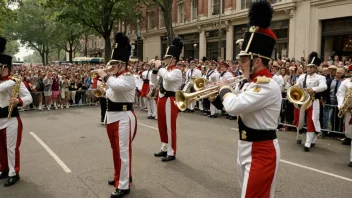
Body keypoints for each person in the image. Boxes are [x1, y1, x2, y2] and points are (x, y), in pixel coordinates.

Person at [216, 1, 281, 197]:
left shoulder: (267, 85)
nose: (240, 65)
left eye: (244, 60)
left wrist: (224, 88)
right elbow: (236, 107)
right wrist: (214, 97)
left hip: (261, 151)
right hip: (245, 146)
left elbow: (234, 105)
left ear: (257, 61)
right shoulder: (250, 83)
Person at [96, 32, 137, 198]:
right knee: (115, 151)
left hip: (123, 117)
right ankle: (119, 176)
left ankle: (124, 184)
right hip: (112, 117)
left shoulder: (128, 77)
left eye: (113, 64)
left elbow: (117, 86)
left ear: (121, 64)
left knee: (123, 151)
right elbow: (112, 92)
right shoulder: (115, 77)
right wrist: (103, 87)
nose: (110, 67)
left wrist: (105, 76)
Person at [0, 36, 33, 187]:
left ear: (5, 67)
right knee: (0, 148)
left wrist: (19, 101)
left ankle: (14, 172)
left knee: (11, 148)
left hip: (11, 118)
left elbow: (29, 98)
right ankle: (4, 169)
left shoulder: (15, 81)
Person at [152, 37, 183, 162]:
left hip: (171, 99)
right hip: (162, 98)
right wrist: (155, 69)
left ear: (173, 59)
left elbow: (168, 78)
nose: (164, 60)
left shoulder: (177, 71)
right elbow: (154, 81)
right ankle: (164, 147)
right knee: (162, 125)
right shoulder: (166, 70)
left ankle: (171, 151)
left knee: (170, 126)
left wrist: (160, 68)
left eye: (167, 58)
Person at [293, 52, 327, 152]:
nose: (309, 69)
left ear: (316, 68)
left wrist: (313, 89)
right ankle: (299, 137)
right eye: (308, 67)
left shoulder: (320, 77)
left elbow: (324, 86)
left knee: (312, 121)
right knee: (299, 121)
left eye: (312, 67)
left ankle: (308, 143)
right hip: (302, 101)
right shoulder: (302, 77)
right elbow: (296, 85)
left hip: (313, 101)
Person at [336, 64, 352, 167]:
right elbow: (340, 94)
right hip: (349, 111)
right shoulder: (346, 82)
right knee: (349, 133)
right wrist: (341, 105)